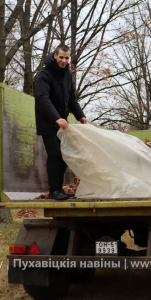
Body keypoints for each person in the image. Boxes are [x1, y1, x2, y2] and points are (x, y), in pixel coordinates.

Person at [35, 44, 87, 200]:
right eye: (61, 57)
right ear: (55, 56)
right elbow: (42, 99)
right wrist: (56, 118)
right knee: (55, 154)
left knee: (64, 155)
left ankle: (59, 189)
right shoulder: (44, 75)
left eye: (67, 58)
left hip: (62, 124)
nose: (64, 61)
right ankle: (53, 191)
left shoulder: (67, 75)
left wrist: (80, 116)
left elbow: (71, 98)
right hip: (48, 123)